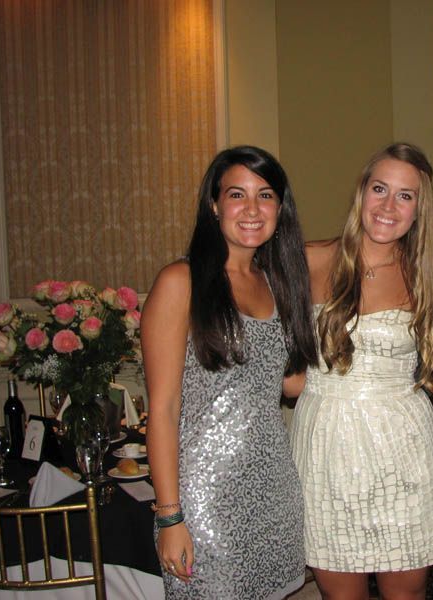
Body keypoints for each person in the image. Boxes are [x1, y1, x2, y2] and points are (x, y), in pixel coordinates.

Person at [142, 146, 317, 599]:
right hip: (206, 501)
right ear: (214, 205)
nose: (253, 209)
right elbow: (162, 410)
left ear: (281, 208)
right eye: (237, 194)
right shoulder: (181, 282)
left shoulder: (279, 283)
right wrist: (169, 515)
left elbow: (291, 383)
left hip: (275, 491)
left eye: (266, 196)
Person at [289, 143, 433, 599]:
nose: (388, 206)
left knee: (408, 594)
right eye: (380, 188)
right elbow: (277, 362)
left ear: (420, 209)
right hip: (328, 448)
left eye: (405, 195)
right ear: (361, 193)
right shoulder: (309, 260)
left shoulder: (432, 278)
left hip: (404, 451)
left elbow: (432, 370)